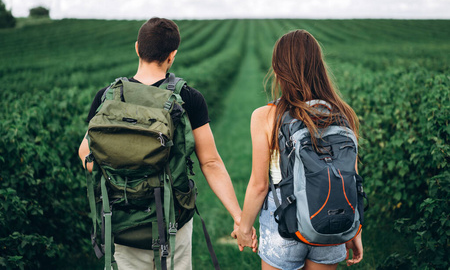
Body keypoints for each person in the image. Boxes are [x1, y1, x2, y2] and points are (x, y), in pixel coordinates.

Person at [78, 17, 254, 269]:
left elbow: (86, 155)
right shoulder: (188, 98)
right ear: (172, 55)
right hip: (172, 223)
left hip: (120, 219)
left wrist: (127, 175)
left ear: (137, 48)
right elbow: (211, 162)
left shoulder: (107, 96)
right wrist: (239, 218)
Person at [231, 30, 363, 270]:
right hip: (330, 220)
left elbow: (260, 185)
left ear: (278, 69)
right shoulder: (342, 114)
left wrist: (244, 229)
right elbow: (350, 179)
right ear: (319, 66)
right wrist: (355, 231)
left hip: (284, 221)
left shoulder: (266, 116)